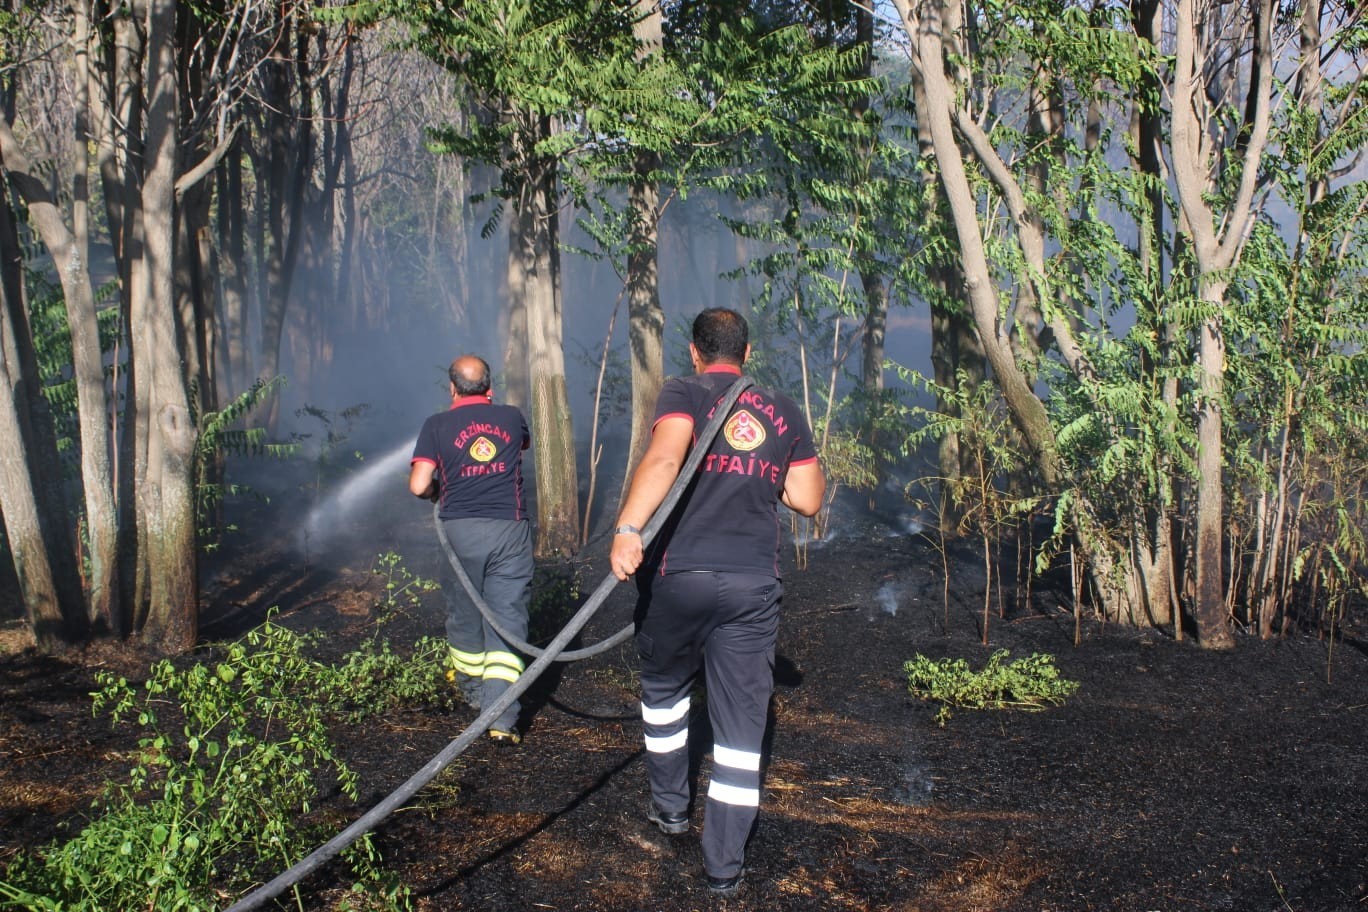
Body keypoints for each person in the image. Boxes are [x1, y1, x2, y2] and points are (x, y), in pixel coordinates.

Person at [609, 308, 826, 895]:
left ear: (694, 352)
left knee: (663, 693)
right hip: (752, 586)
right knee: (739, 727)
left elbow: (663, 459)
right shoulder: (779, 407)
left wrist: (629, 528)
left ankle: (671, 809)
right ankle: (724, 868)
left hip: (679, 577)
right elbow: (807, 498)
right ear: (748, 355)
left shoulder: (682, 390)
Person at [409, 355, 533, 744]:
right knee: (508, 618)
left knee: (464, 614)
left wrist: (436, 488)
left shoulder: (436, 425)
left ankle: (474, 695)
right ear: (489, 386)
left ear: (451, 388)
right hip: (508, 532)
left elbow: (418, 485)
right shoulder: (512, 418)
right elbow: (520, 449)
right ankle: (501, 718)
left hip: (459, 531)